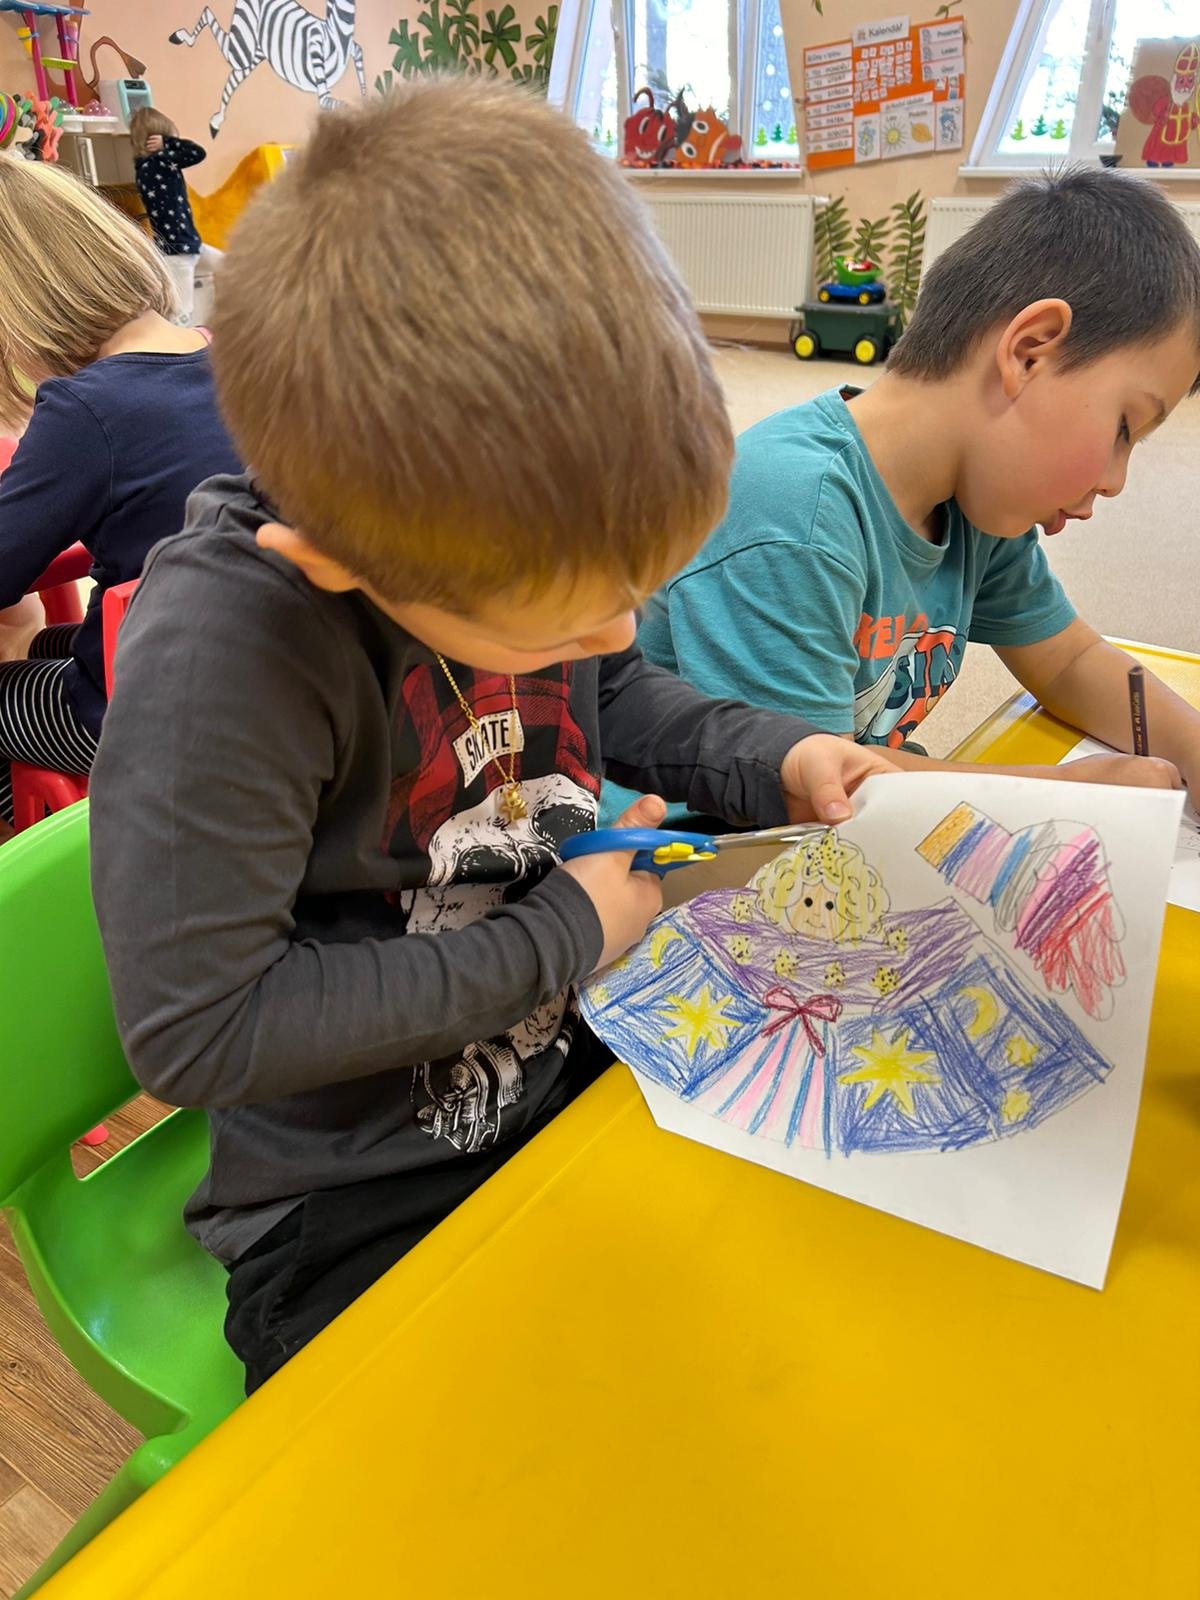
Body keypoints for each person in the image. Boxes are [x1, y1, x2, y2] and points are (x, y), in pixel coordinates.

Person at [88, 78, 898, 1395]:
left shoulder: (501, 546)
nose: (614, 629)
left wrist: (779, 757)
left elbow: (615, 693)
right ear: (337, 562)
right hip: (354, 1200)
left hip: (561, 1064)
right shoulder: (228, 653)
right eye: (561, 621)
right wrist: (566, 933)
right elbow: (202, 1030)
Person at [628, 166, 1200, 810]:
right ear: (1030, 351)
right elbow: (809, 793)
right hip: (690, 844)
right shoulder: (793, 513)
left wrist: (1193, 748)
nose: (1116, 482)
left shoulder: (981, 501)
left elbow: (1067, 661)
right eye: (1124, 427)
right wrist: (1071, 791)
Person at [0, 157, 240, 824]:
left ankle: (34, 846)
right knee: (44, 645)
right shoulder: (228, 355)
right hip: (255, 670)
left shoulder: (88, 408)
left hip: (152, 713)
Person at [130, 106, 218, 325]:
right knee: (181, 312)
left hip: (185, 246)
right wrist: (169, 143)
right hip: (179, 249)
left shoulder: (144, 167)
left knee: (231, 266)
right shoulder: (160, 162)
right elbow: (197, 153)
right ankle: (186, 341)